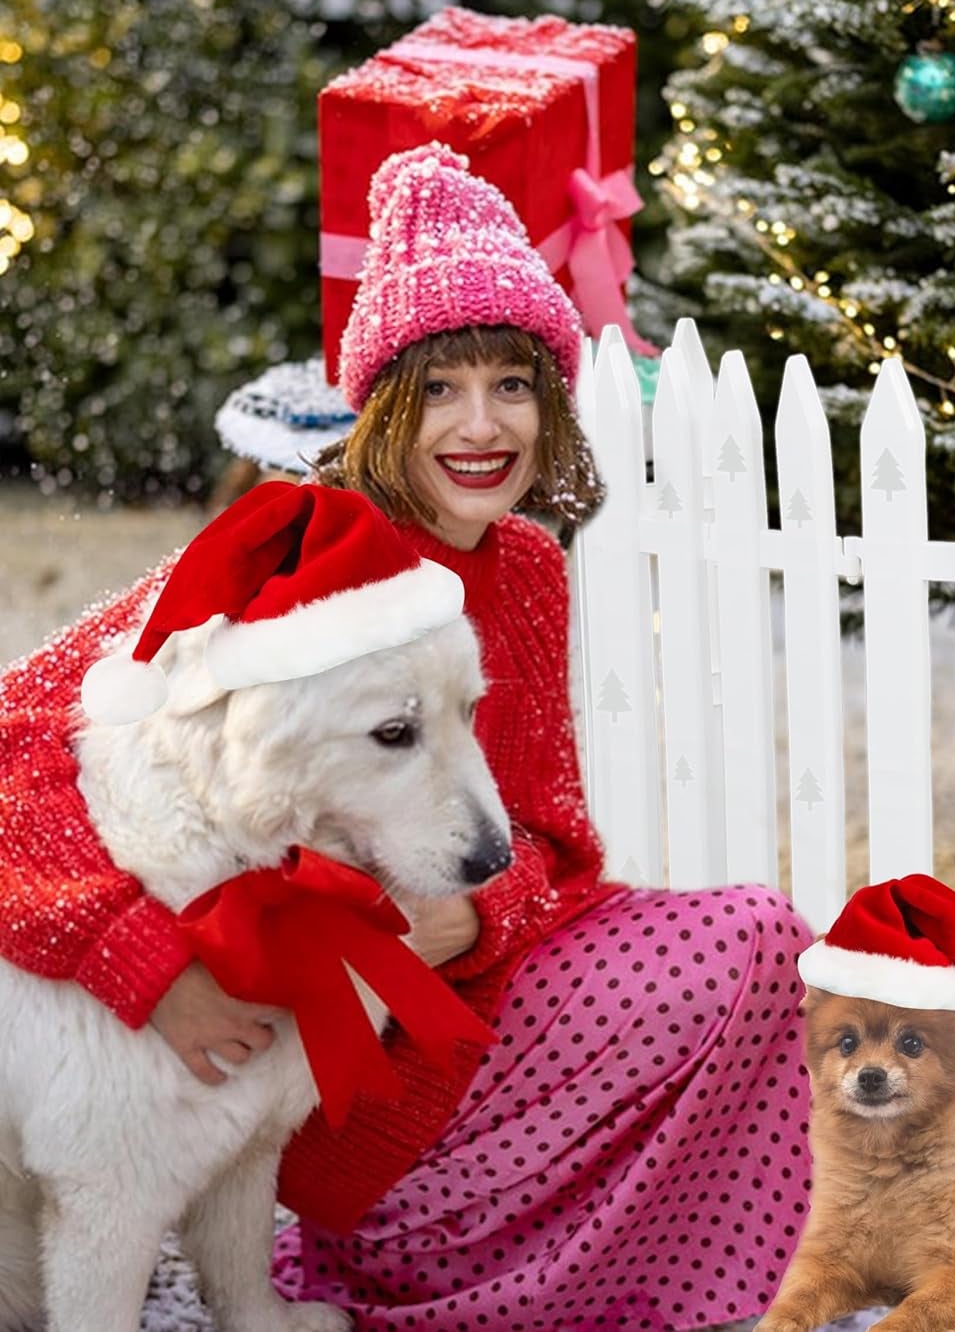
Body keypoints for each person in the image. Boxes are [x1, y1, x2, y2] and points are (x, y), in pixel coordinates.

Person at [0, 142, 815, 1332]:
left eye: (511, 384)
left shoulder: (528, 568)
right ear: (382, 408)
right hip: (277, 1037)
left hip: (443, 987)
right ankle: (410, 1251)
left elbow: (551, 838)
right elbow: (18, 748)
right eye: (438, 388)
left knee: (757, 941)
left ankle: (588, 1274)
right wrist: (143, 972)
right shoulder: (300, 561)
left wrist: (475, 911)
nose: (480, 425)